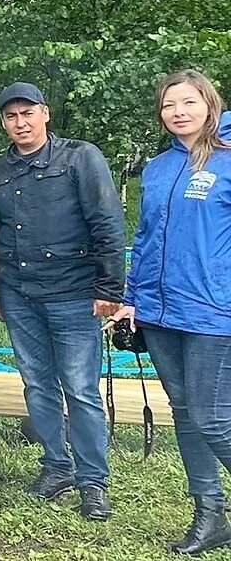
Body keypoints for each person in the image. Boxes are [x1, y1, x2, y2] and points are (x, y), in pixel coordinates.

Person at [0, 82, 125, 521]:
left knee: (81, 390)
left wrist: (110, 289)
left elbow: (107, 221)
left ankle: (93, 480)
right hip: (20, 295)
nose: (20, 123)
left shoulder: (81, 157)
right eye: (11, 116)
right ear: (4, 123)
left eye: (28, 113)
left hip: (74, 294)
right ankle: (56, 465)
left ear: (45, 114)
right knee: (37, 385)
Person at [110, 70, 231, 554]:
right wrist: (131, 300)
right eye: (168, 105)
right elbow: (144, 240)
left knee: (213, 418)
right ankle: (210, 512)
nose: (178, 112)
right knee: (184, 413)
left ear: (210, 104)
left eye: (188, 102)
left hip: (213, 312)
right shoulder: (158, 169)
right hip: (160, 314)